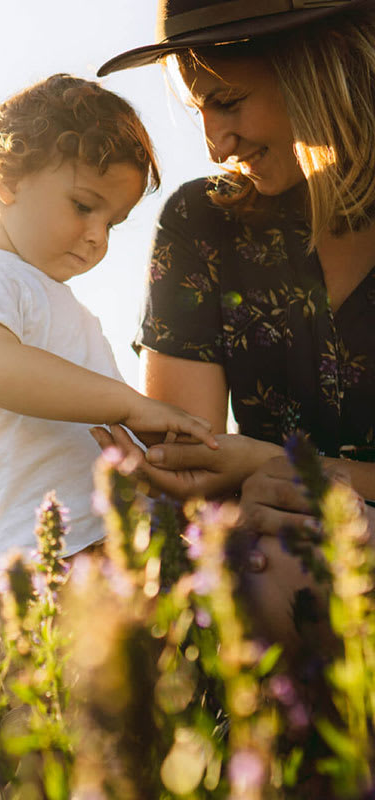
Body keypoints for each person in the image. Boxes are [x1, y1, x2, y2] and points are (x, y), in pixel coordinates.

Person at [94, 0, 375, 650]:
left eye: (228, 101)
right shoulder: (204, 225)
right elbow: (179, 467)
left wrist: (282, 466)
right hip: (277, 559)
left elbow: (232, 460)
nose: (215, 144)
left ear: (318, 65)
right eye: (199, 111)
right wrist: (237, 514)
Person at [0, 74, 218, 665]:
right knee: (44, 727)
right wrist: (129, 403)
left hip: (103, 542)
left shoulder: (68, 306)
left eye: (113, 224)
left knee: (114, 725)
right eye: (83, 206)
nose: (97, 236)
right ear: (8, 178)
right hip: (33, 556)